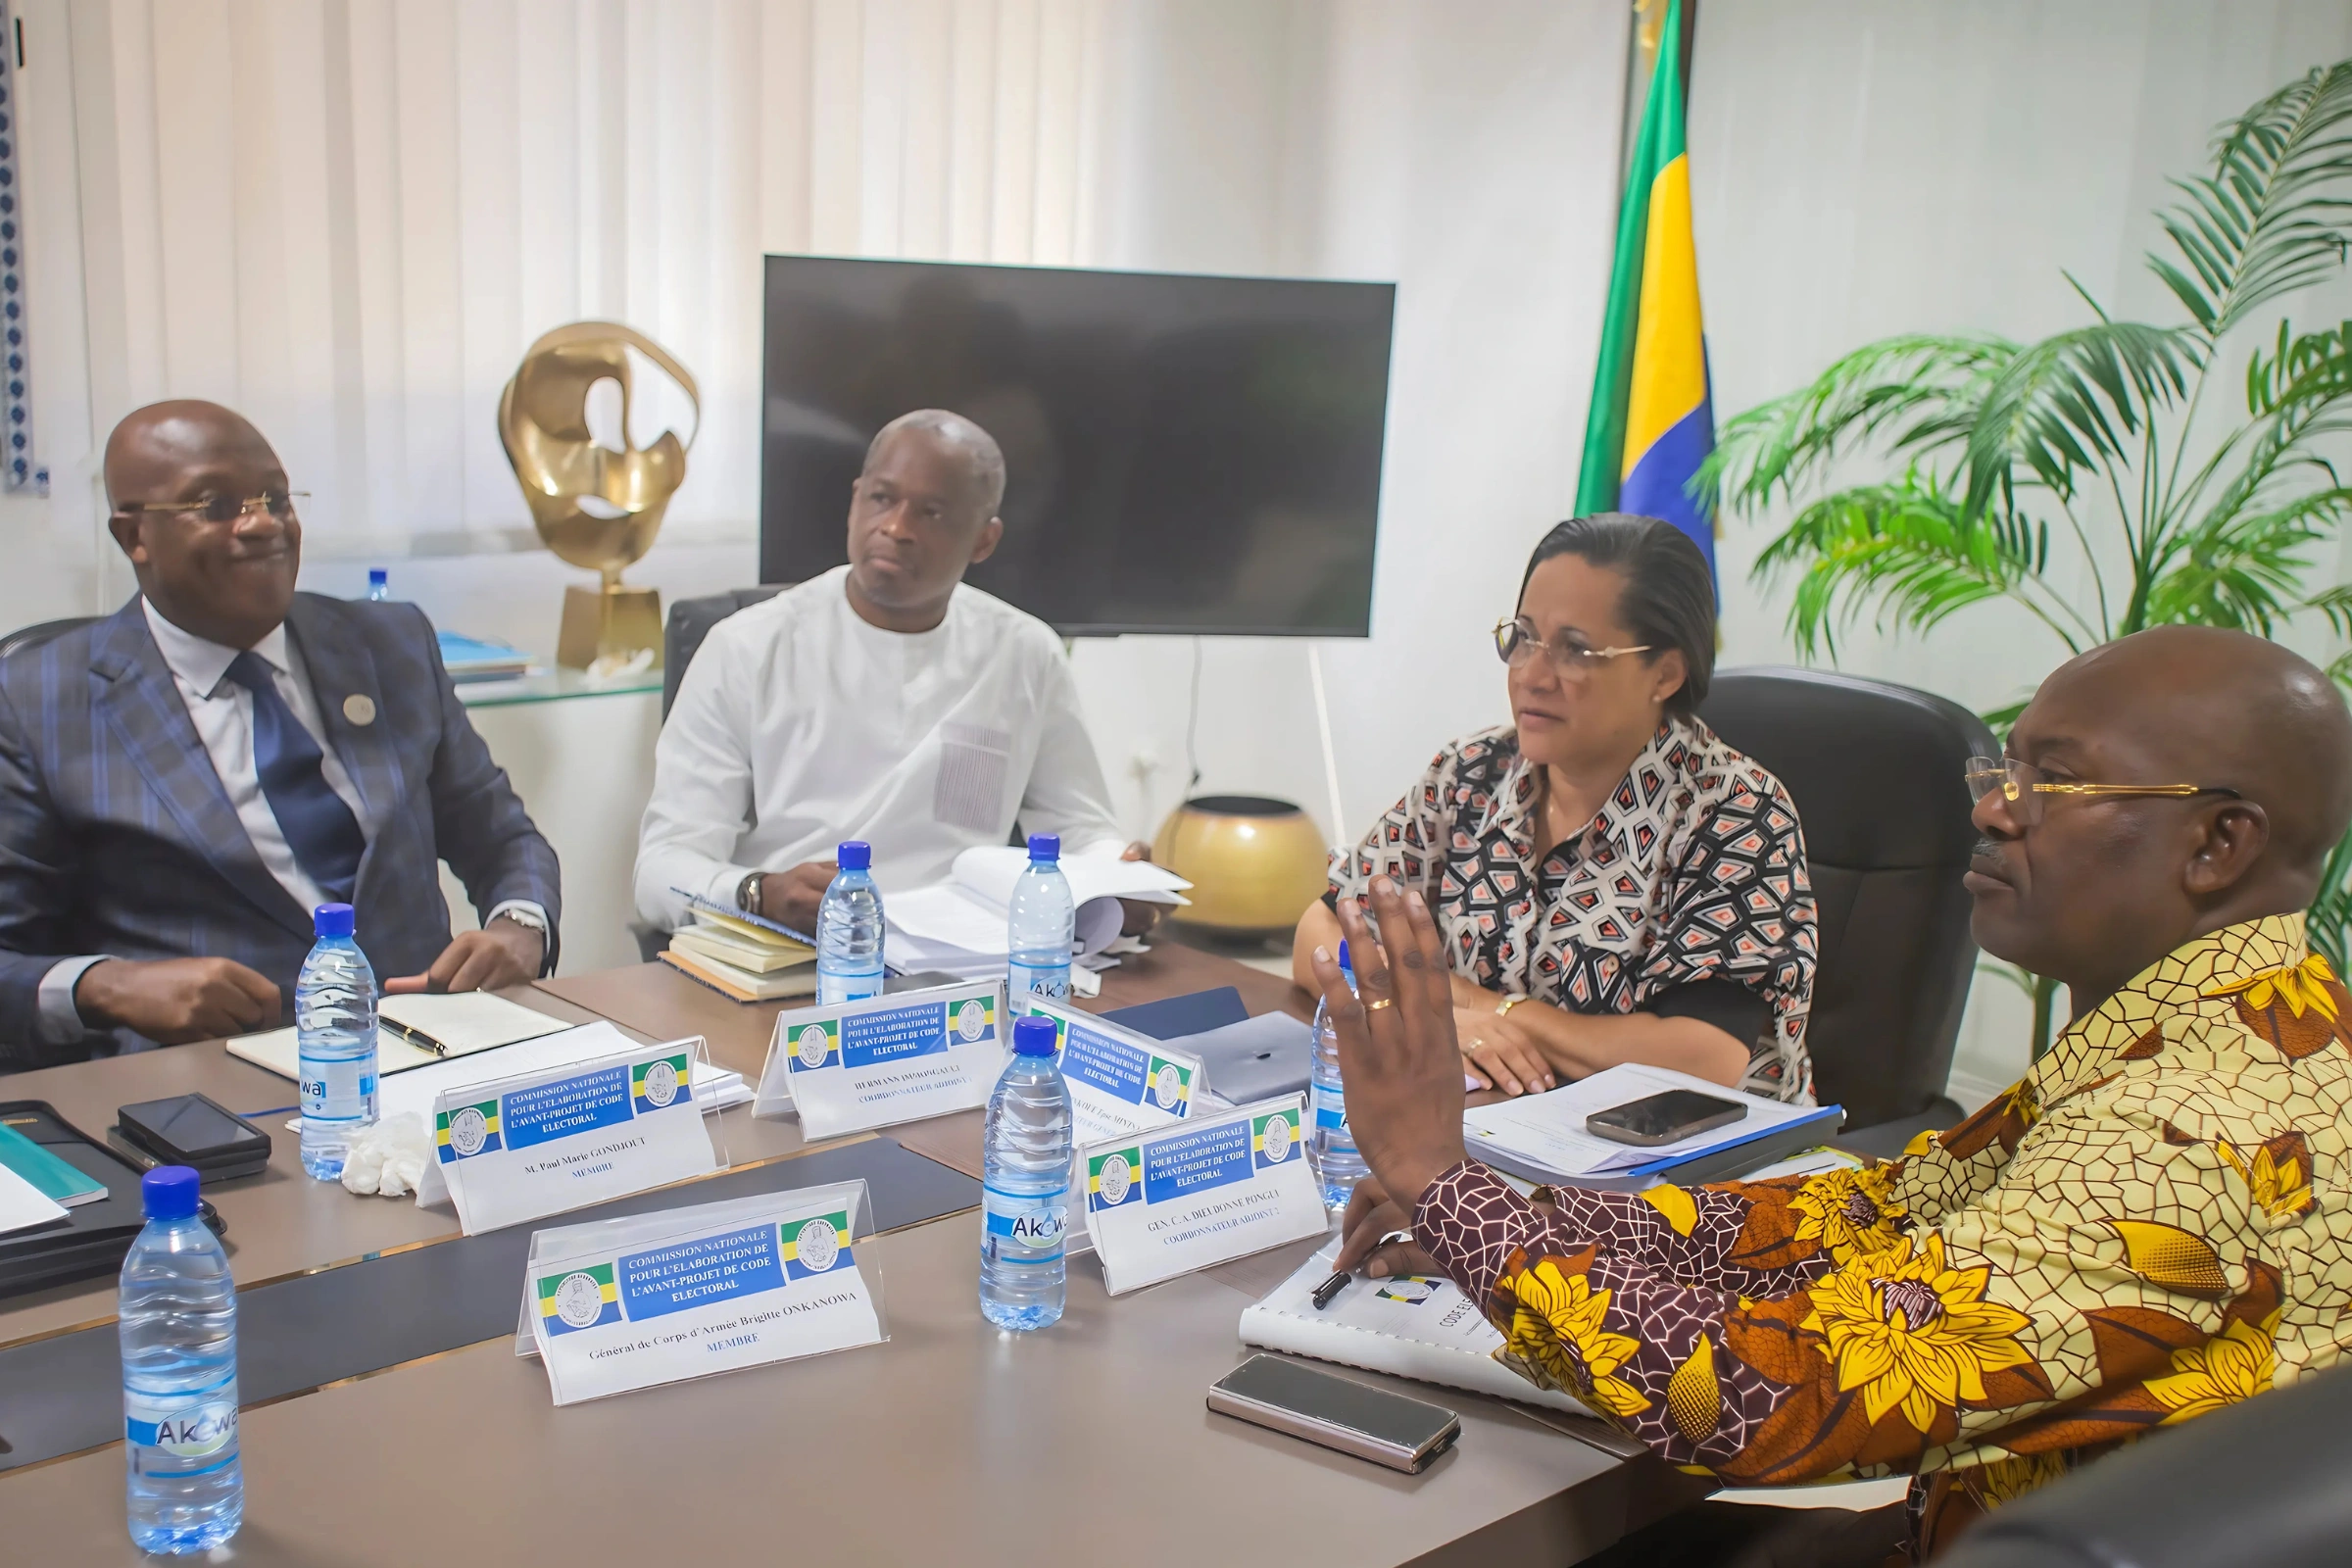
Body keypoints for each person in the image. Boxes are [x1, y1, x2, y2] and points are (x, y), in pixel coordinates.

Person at [1315, 624, 2352, 1565]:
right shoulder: (2253, 1018)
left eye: (2057, 783)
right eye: (2006, 767)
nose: (1992, 807)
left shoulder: (2187, 1134)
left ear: (2220, 844)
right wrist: (1508, 1219)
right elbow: (1870, 1214)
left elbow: (1765, 1397)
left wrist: (1437, 1176)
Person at [0, 401, 562, 1069]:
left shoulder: (389, 644)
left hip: (434, 1053)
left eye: (276, 498)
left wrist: (520, 925)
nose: (263, 522)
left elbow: (501, 836)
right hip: (204, 1082)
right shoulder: (41, 701)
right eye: (215, 505)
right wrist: (107, 985)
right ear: (134, 538)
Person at [1294, 514, 1817, 1102]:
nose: (1532, 675)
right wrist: (1437, 1020)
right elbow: (1323, 930)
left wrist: (1480, 1008)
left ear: (1666, 673)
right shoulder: (1473, 770)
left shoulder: (1734, 811)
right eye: (1522, 637)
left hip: (1687, 1165)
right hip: (1497, 1124)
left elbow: (1700, 1059)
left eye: (1576, 650)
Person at [635, 409, 1151, 938]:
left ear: (984, 540)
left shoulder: (1025, 653)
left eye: (931, 513)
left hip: (963, 966)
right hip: (793, 951)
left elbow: (1081, 825)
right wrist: (758, 894)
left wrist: (1121, 873)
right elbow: (662, 870)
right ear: (856, 499)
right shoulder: (747, 647)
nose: (896, 528)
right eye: (882, 499)